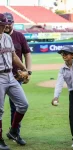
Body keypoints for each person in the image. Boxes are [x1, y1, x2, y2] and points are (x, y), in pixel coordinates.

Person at [0, 13, 29, 150]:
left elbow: (13, 56)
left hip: (10, 75)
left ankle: (13, 131)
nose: (4, 27)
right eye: (2, 25)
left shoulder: (7, 37)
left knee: (23, 104)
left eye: (5, 24)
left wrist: (26, 70)